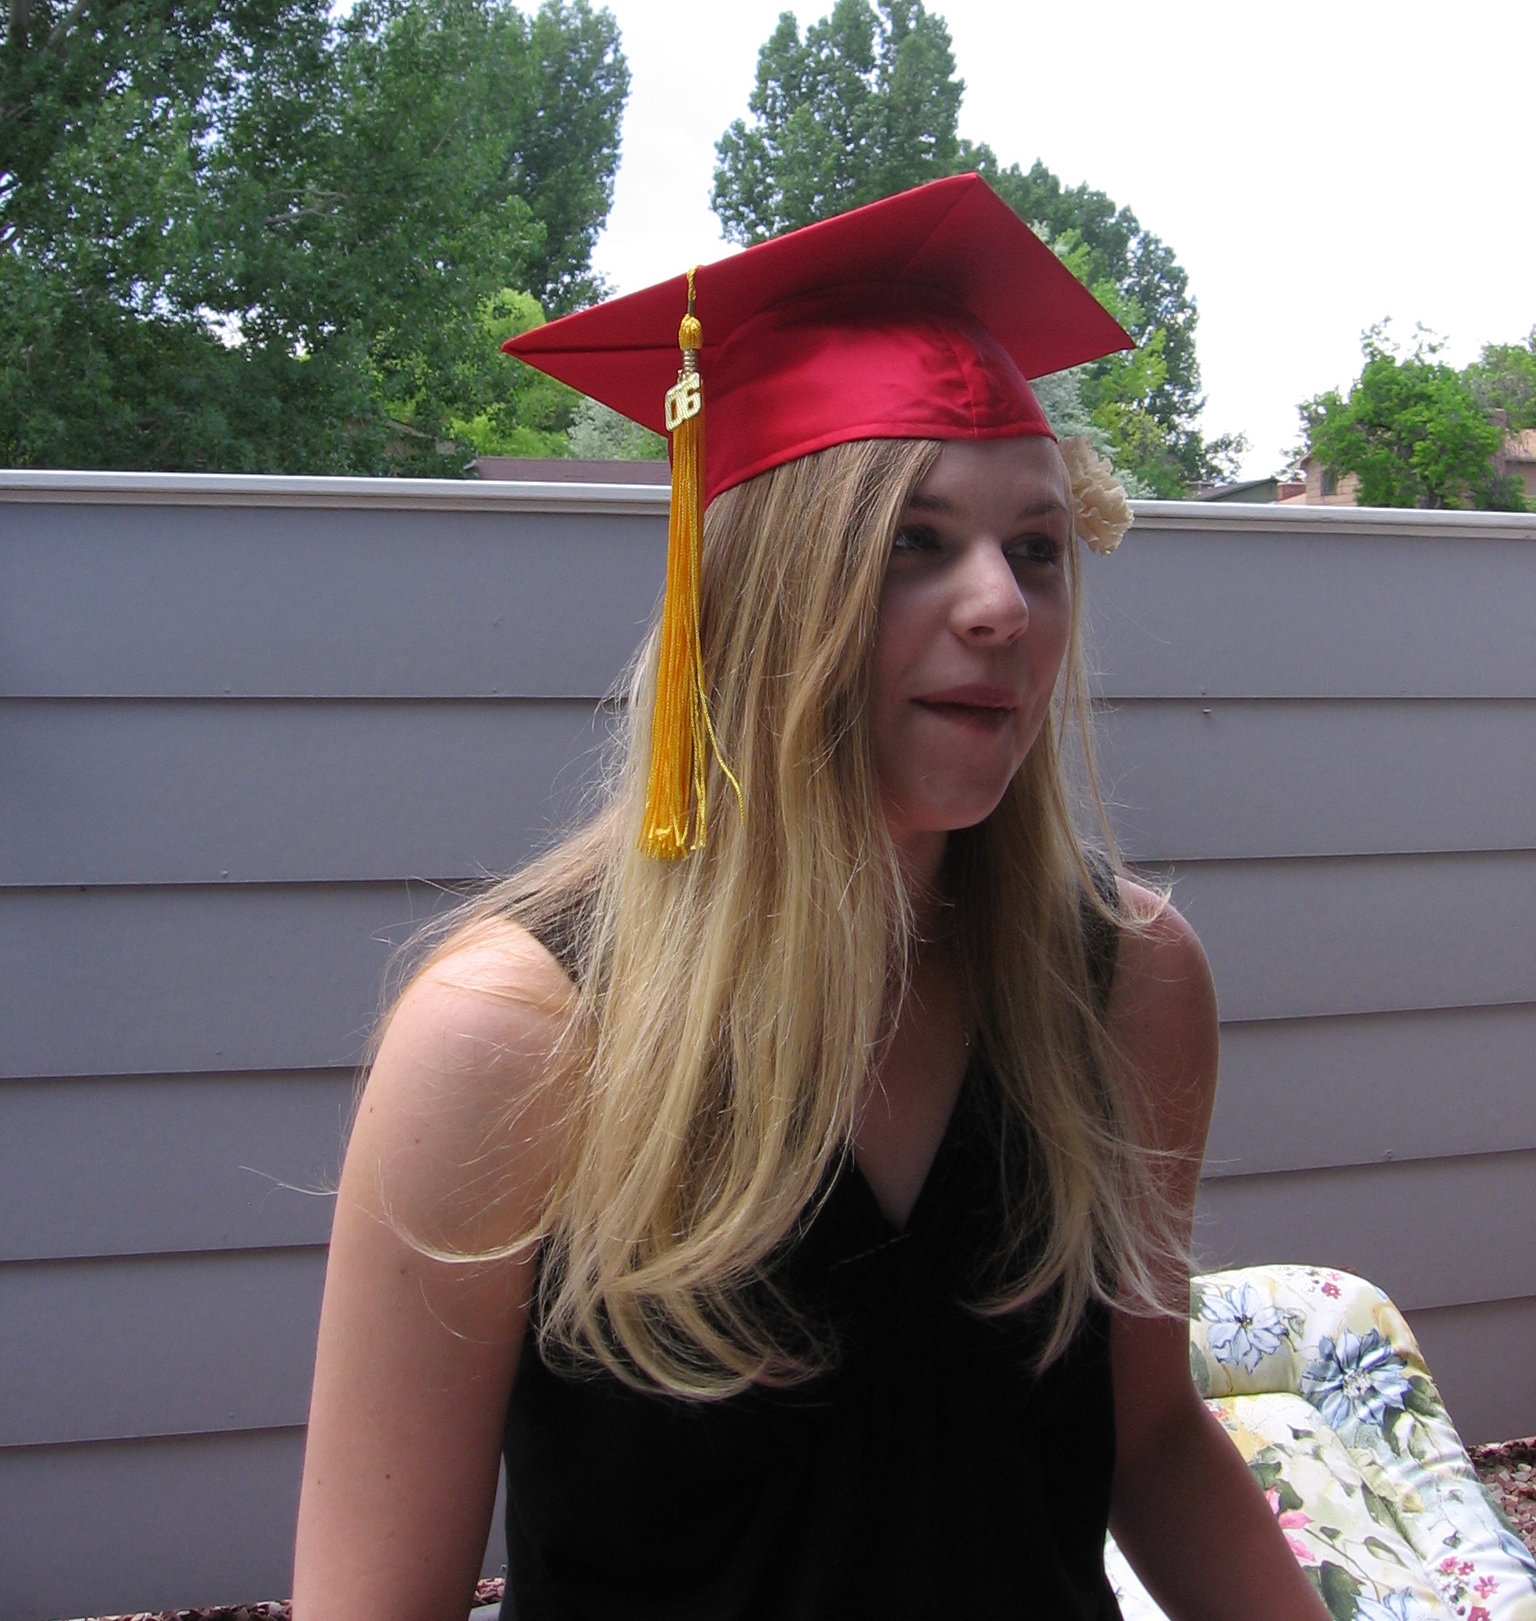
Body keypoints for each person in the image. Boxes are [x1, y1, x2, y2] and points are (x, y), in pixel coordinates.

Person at [293, 175, 1328, 1620]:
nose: (1004, 605)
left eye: (1037, 547)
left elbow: (1147, 1437)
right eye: (917, 538)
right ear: (762, 594)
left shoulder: (1128, 984)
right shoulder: (511, 1037)